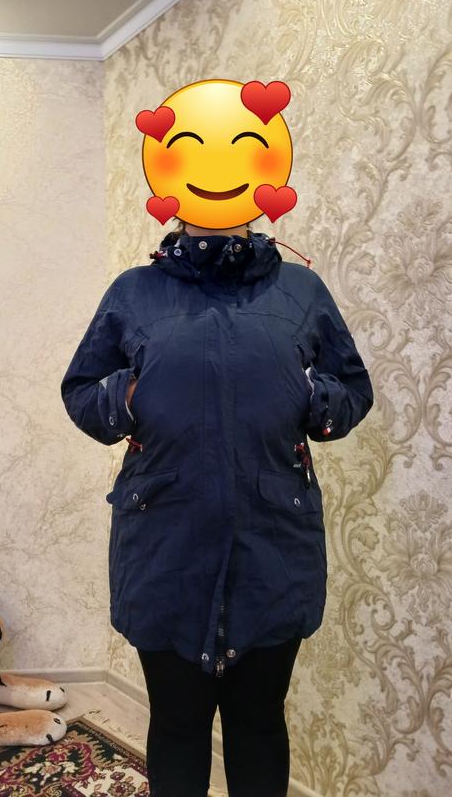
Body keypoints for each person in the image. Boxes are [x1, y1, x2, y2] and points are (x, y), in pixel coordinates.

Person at [60, 218, 374, 796]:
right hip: (163, 545)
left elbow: (354, 390)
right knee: (177, 724)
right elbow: (80, 390)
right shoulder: (134, 292)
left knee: (259, 723)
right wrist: (127, 394)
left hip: (274, 545)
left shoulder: (300, 291)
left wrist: (310, 393)